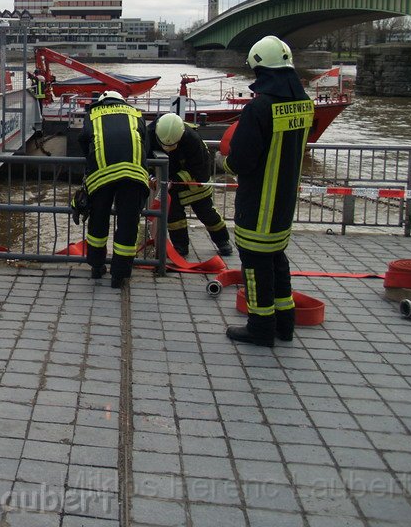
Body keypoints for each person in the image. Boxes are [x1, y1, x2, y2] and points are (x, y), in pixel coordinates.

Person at [218, 36, 314, 347]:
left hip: (258, 202)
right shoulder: (304, 104)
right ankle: (285, 323)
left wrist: (224, 163)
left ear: (260, 69)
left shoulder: (260, 107)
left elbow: (242, 160)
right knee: (276, 261)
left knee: (255, 266)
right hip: (285, 204)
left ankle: (260, 327)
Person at [75, 90, 150, 289]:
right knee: (128, 224)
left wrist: (90, 157)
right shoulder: (136, 114)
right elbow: (145, 143)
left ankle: (97, 267)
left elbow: (83, 139)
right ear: (122, 101)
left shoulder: (93, 114)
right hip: (133, 175)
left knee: (98, 221)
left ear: (102, 102)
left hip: (102, 175)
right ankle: (119, 276)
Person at [148, 112, 233, 258]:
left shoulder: (192, 139)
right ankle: (181, 247)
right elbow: (145, 160)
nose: (169, 148)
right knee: (174, 218)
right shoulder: (150, 134)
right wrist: (151, 177)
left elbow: (201, 169)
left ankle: (223, 241)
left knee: (207, 213)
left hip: (193, 183)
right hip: (170, 186)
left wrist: (175, 180)